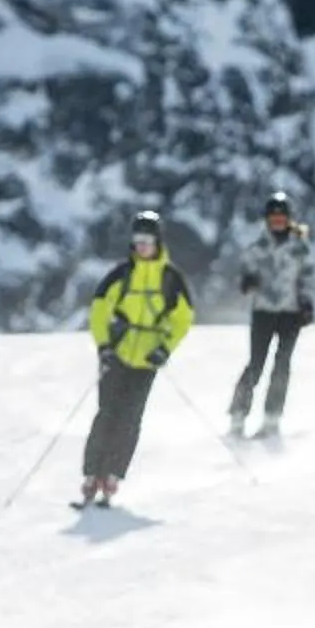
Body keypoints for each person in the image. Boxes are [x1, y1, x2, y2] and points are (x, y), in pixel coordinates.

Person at [77, 208, 194, 506]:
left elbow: (183, 318)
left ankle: (113, 475)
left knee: (130, 418)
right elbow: (99, 311)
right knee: (107, 413)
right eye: (138, 239)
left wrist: (164, 348)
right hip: (116, 354)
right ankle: (92, 474)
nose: (142, 245)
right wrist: (104, 346)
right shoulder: (121, 274)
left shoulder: (171, 279)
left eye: (147, 240)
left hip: (147, 360)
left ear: (158, 242)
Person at [228, 189, 315, 439]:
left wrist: (306, 303)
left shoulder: (299, 247)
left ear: (289, 219)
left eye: (281, 218)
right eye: (273, 218)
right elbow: (246, 273)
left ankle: (272, 418)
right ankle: (238, 414)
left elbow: (307, 277)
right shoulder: (257, 247)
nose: (277, 222)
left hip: (290, 313)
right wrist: (248, 281)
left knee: (282, 365)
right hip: (263, 311)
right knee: (256, 363)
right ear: (267, 219)